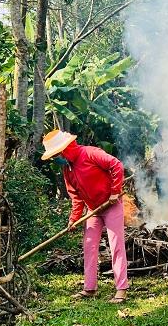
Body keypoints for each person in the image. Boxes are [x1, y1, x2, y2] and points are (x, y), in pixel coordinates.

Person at [41, 129, 129, 303]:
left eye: (56, 155)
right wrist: (73, 219)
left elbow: (116, 165)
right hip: (93, 210)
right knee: (89, 246)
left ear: (64, 150)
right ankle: (89, 288)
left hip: (111, 205)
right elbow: (75, 196)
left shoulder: (90, 153)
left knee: (116, 245)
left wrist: (114, 192)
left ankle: (121, 289)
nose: (56, 159)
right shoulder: (68, 169)